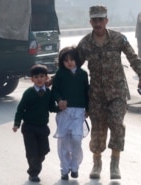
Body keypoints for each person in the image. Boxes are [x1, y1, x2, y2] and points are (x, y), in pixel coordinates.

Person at [76, 5, 141, 180]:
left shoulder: (118, 39)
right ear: (90, 21)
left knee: (116, 124)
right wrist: (55, 81)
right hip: (96, 95)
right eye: (95, 20)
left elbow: (133, 57)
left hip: (117, 92)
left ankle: (115, 164)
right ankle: (97, 163)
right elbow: (72, 67)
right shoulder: (85, 43)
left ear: (106, 20)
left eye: (101, 19)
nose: (98, 23)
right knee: (98, 129)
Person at [12, 64, 58, 182]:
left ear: (47, 78)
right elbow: (20, 108)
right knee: (32, 152)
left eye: (42, 76)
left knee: (44, 151)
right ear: (31, 79)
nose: (39, 79)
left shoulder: (48, 93)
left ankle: (36, 164)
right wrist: (17, 123)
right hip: (29, 128)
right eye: (36, 77)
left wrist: (60, 108)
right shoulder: (29, 93)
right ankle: (33, 173)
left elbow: (51, 107)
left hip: (42, 127)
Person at [51, 46, 89, 180]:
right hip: (64, 112)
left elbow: (87, 92)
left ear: (77, 60)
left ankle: (75, 166)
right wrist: (59, 100)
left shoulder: (83, 74)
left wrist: (88, 108)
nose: (70, 62)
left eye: (72, 59)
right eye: (66, 60)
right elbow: (54, 90)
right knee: (63, 142)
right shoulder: (60, 74)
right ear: (62, 62)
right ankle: (65, 169)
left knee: (77, 139)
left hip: (79, 112)